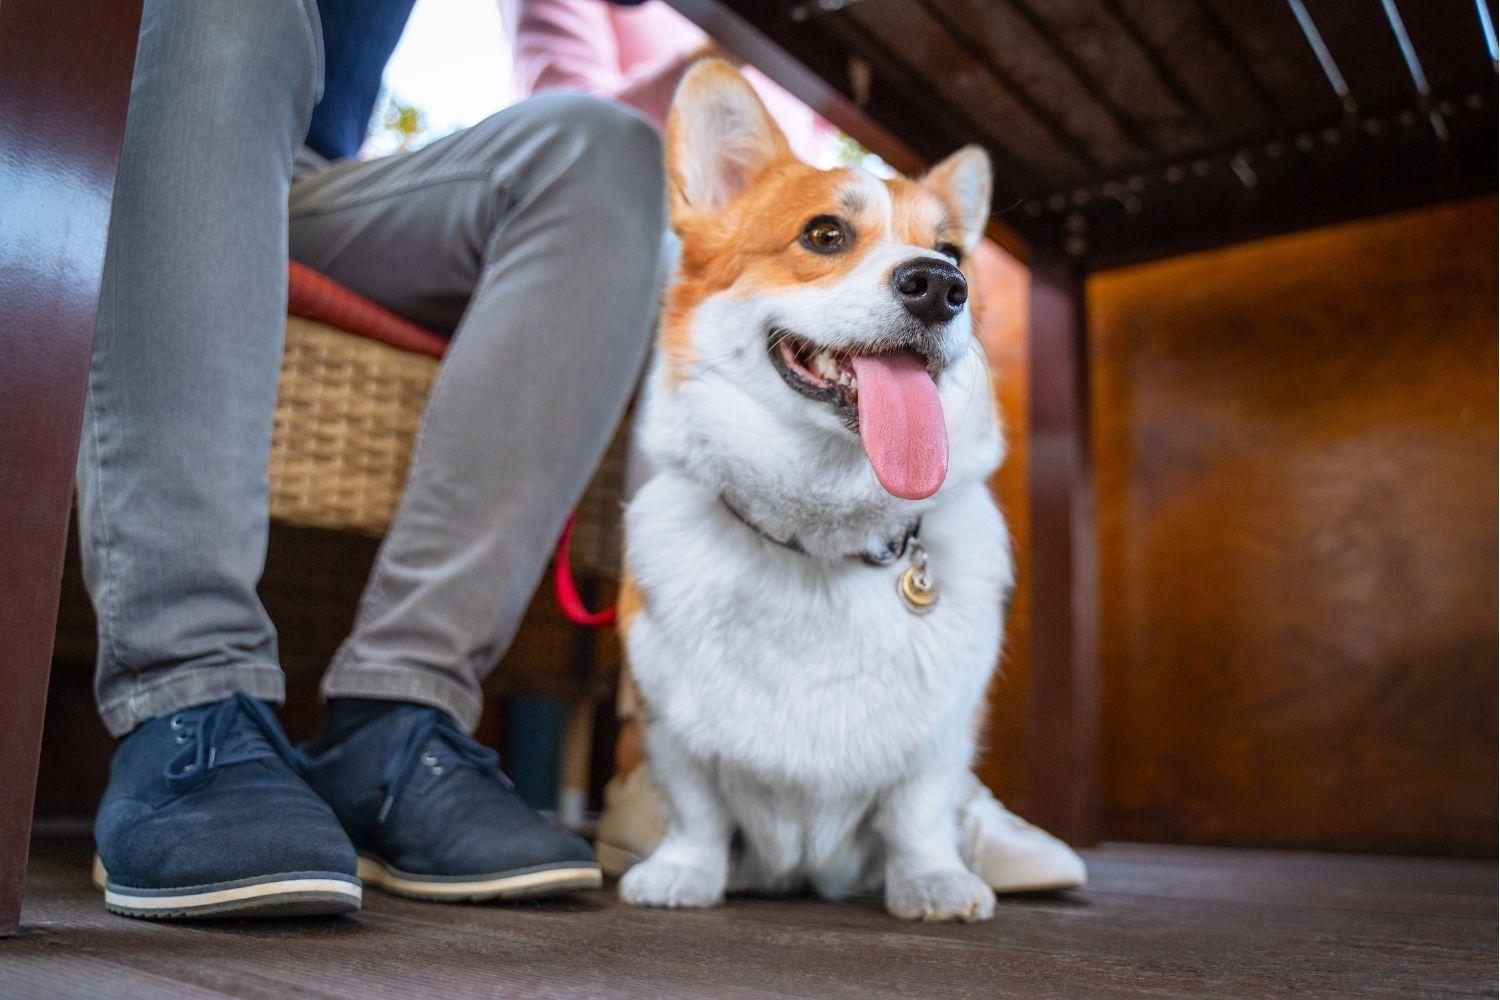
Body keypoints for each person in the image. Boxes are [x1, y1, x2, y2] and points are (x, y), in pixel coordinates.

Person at [85, 0, 664, 918]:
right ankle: (185, 696)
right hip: (97, 121)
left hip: (297, 178)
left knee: (605, 151)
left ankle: (392, 720)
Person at [502, 0, 1087, 894]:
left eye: (946, 258)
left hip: (872, 450)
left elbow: (873, 207)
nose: (934, 278)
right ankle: (667, 788)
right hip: (626, 224)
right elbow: (569, 120)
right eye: (827, 237)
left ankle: (930, 816)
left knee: (945, 609)